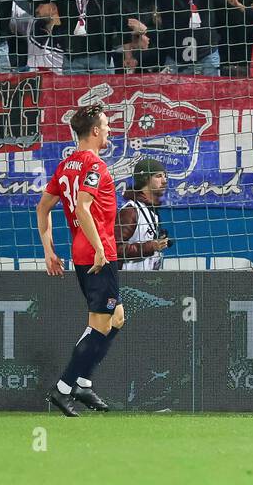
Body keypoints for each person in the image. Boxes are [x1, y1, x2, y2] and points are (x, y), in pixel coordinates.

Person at [36, 103, 122, 416]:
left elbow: (42, 208)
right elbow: (84, 207)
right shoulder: (95, 166)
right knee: (98, 326)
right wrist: (99, 247)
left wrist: (49, 250)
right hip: (98, 254)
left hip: (81, 252)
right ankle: (62, 389)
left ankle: (83, 382)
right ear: (95, 131)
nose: (110, 129)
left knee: (117, 318)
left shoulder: (66, 165)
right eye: (107, 124)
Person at [117, 157, 170, 270]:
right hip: (128, 280)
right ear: (145, 179)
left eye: (165, 176)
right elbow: (115, 249)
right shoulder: (131, 211)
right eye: (158, 176)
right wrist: (150, 246)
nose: (165, 181)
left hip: (147, 278)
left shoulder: (151, 210)